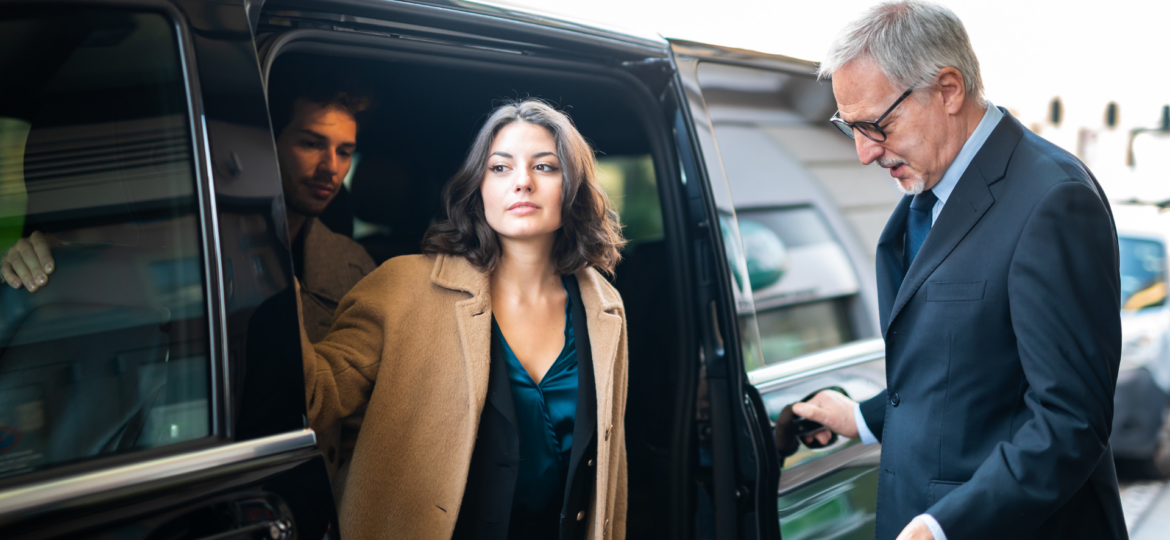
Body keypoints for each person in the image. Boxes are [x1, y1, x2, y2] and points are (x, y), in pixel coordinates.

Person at [789, 2, 1125, 540]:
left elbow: (1070, 422)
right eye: (849, 127)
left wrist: (945, 527)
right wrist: (862, 418)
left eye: (876, 124)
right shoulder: (930, 188)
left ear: (948, 89)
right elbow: (966, 369)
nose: (863, 152)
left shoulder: (1054, 200)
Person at [0, 81, 377, 480]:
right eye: (311, 144)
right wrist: (53, 259)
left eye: (345, 151)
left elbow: (359, 424)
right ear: (269, 145)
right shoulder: (192, 242)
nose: (330, 167)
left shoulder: (354, 268)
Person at [299, 99, 628, 540]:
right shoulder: (403, 287)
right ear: (478, 187)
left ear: (572, 188)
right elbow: (316, 396)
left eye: (545, 167)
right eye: (500, 168)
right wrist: (271, 273)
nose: (523, 182)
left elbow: (611, 475)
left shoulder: (605, 309)